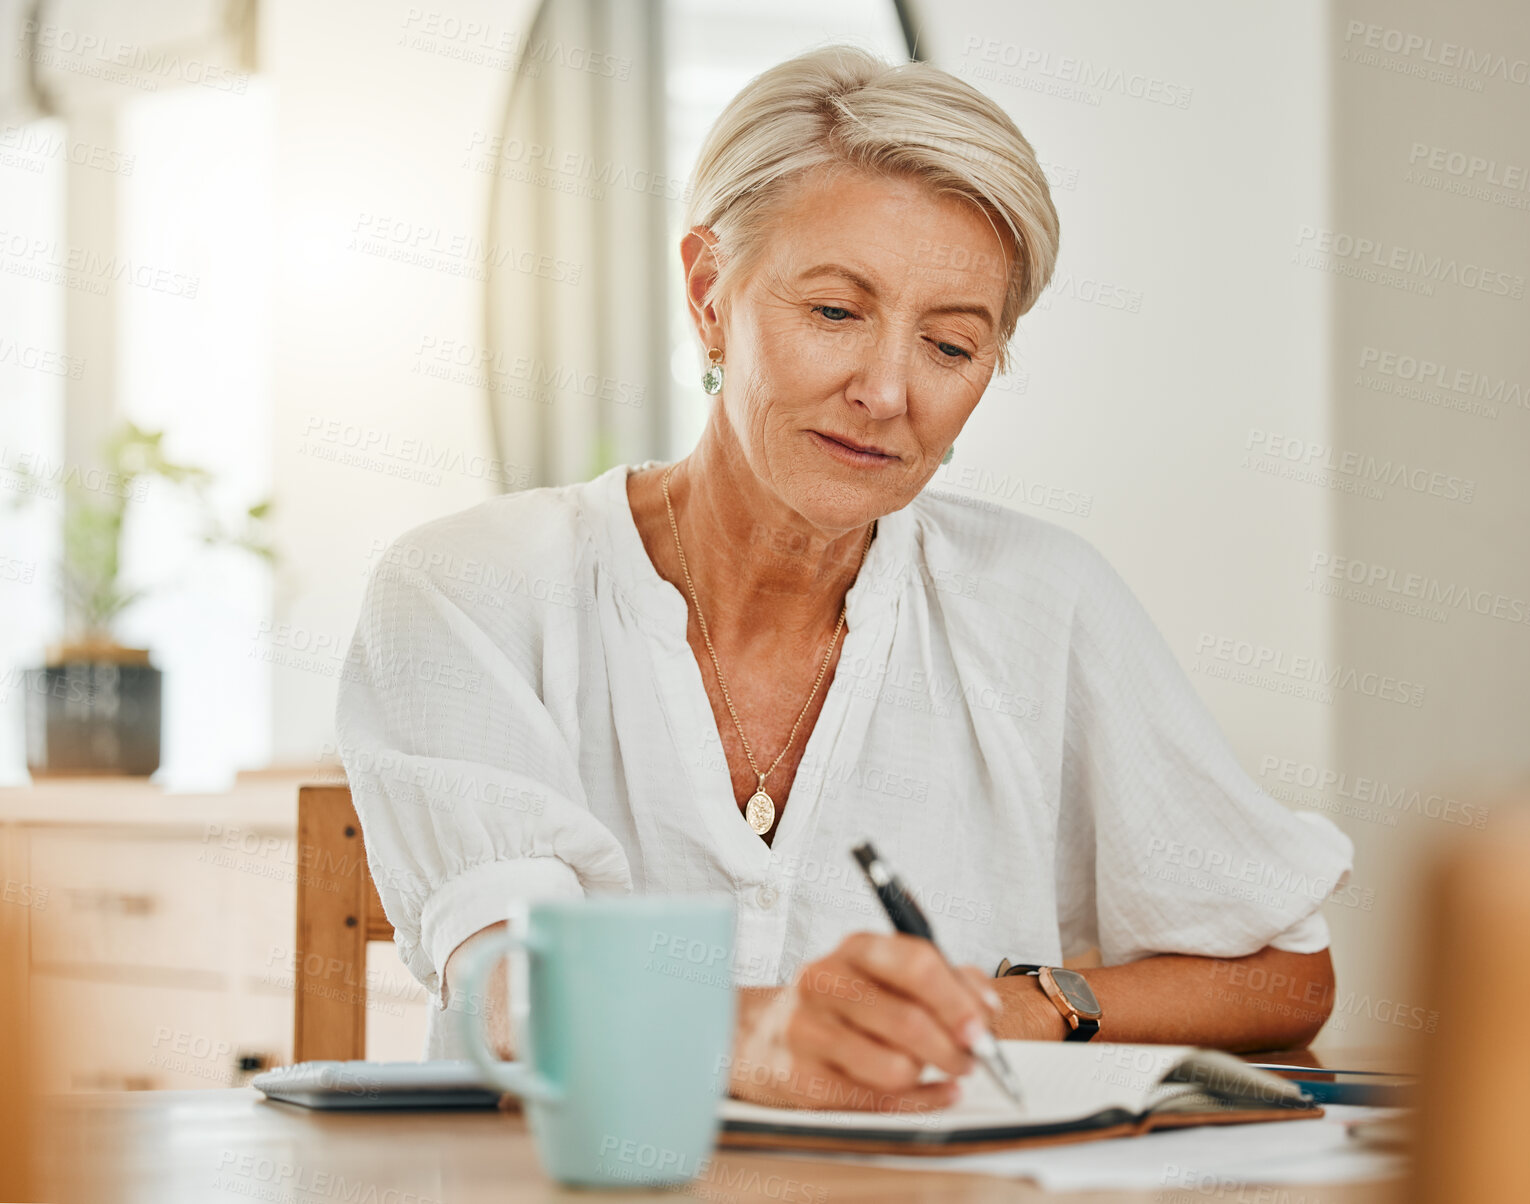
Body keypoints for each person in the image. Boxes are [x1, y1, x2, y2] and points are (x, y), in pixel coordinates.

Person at [335, 44, 1353, 1114]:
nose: (885, 391)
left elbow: (1285, 976)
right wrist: (774, 1034)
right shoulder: (467, 589)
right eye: (833, 311)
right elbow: (512, 997)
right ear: (708, 293)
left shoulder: (1044, 602)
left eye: (951, 347)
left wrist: (1027, 1004)